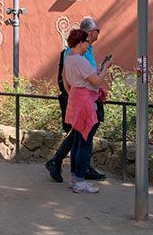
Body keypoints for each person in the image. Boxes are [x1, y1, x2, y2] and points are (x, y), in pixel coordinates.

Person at [46, 16, 107, 183]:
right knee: (81, 134)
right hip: (81, 97)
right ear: (88, 33)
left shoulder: (86, 50)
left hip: (85, 95)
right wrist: (75, 94)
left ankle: (80, 168)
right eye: (96, 32)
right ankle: (62, 164)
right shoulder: (75, 52)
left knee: (82, 133)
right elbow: (70, 76)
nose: (97, 35)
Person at [61, 28, 112, 194]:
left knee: (77, 141)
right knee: (84, 142)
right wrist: (106, 68)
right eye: (86, 43)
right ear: (80, 43)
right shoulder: (80, 61)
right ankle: (80, 181)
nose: (87, 46)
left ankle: (75, 179)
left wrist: (73, 93)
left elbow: (65, 80)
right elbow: (96, 81)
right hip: (84, 101)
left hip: (75, 98)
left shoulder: (68, 59)